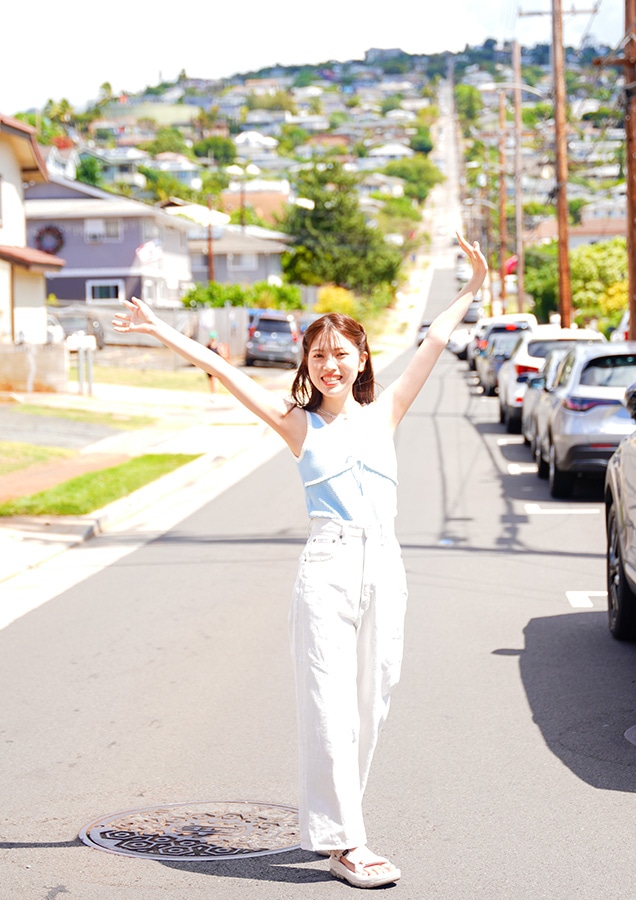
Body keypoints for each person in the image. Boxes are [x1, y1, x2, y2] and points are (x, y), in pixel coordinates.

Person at [112, 233, 487, 889]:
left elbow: (431, 341)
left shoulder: (385, 411)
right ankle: (349, 843)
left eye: (340, 353)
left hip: (386, 567)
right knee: (328, 705)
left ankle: (332, 828)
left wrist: (473, 286)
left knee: (374, 700)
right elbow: (225, 370)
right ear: (307, 365)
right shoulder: (296, 423)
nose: (329, 365)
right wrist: (157, 328)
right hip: (328, 567)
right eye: (318, 356)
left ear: (363, 357)